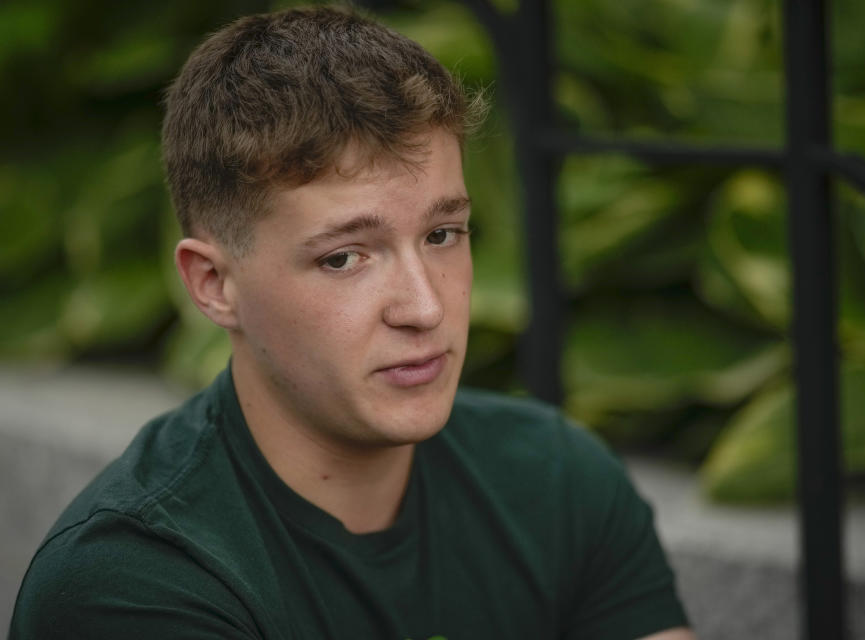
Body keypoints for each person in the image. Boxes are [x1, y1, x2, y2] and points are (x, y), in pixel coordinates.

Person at [10, 6, 694, 639]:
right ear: (215, 285)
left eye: (443, 234)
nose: (425, 308)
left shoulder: (557, 481)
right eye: (343, 258)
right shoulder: (133, 583)